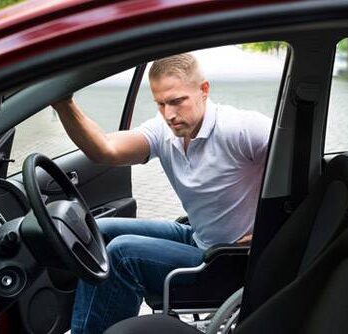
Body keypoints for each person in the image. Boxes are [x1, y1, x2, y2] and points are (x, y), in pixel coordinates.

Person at [51, 53, 271, 334]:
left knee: (122, 255)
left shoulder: (243, 128)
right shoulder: (163, 131)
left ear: (203, 90)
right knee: (100, 229)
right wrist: (63, 102)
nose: (169, 114)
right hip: (198, 238)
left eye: (177, 101)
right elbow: (104, 149)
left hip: (229, 262)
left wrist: (271, 232)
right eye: (160, 104)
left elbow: (306, 174)